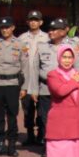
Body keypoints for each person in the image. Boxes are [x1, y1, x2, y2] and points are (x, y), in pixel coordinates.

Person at [27, 18, 72, 157]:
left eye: (54, 30)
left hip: (65, 91)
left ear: (63, 32)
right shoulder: (42, 47)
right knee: (46, 120)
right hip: (46, 89)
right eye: (50, 30)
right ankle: (49, 147)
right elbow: (35, 69)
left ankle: (63, 147)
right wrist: (34, 90)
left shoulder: (71, 46)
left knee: (64, 120)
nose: (50, 32)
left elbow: (77, 69)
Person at [0, 17, 28, 157]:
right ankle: (0, 144)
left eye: (7, 27)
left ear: (13, 28)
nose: (5, 30)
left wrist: (24, 87)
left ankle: (12, 145)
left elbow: (25, 67)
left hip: (13, 84)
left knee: (12, 115)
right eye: (2, 27)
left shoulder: (20, 44)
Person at [18, 10, 48, 146]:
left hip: (41, 80)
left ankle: (41, 135)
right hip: (26, 80)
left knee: (42, 110)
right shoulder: (21, 39)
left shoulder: (47, 38)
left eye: (36, 20)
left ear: (41, 22)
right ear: (27, 22)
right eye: (31, 20)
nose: (33, 22)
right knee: (27, 109)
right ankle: (30, 134)